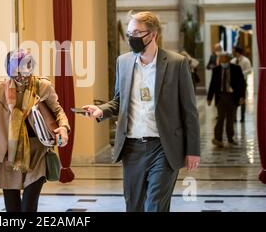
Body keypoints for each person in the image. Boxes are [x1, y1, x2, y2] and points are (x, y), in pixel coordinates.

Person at [82, 11, 200, 212]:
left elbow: (189, 110)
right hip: (132, 148)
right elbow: (120, 101)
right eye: (129, 33)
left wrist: (193, 150)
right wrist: (101, 110)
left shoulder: (176, 63)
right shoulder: (124, 62)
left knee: (155, 205)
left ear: (153, 34)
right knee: (134, 205)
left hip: (164, 147)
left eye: (137, 32)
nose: (131, 37)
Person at [0, 50, 70, 212]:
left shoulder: (42, 86)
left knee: (29, 207)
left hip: (37, 152)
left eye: (25, 71)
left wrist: (64, 128)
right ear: (9, 70)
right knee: (12, 209)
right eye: (16, 73)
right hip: (8, 154)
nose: (22, 77)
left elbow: (58, 111)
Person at [207, 52, 246, 147]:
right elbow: (212, 84)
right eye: (221, 59)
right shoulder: (216, 70)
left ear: (228, 59)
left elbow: (242, 84)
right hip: (220, 96)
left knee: (230, 118)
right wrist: (209, 98)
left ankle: (230, 138)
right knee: (220, 118)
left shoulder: (236, 69)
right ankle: (218, 138)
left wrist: (242, 97)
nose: (222, 61)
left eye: (224, 59)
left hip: (232, 97)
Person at [231, 46, 252, 122]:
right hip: (234, 84)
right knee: (234, 100)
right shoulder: (233, 61)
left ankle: (242, 117)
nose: (232, 52)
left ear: (237, 52)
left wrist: (241, 73)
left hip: (243, 83)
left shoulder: (246, 60)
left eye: (233, 51)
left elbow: (249, 70)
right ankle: (234, 117)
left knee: (243, 99)